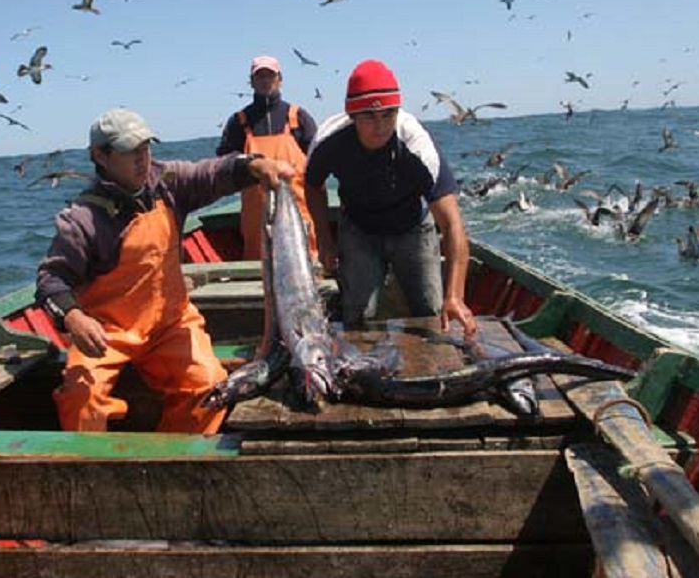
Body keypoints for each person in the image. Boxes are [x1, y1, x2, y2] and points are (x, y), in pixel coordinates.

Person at [36, 107, 293, 433]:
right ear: (100, 156)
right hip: (108, 335)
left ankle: (171, 460)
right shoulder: (81, 219)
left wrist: (255, 164)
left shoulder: (167, 182)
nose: (143, 160)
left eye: (146, 149)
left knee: (210, 387)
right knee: (80, 400)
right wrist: (73, 317)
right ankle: (93, 472)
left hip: (171, 324)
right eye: (131, 152)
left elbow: (213, 172)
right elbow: (49, 281)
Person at [304, 59, 478, 335]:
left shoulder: (417, 147)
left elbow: (452, 225)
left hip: (412, 227)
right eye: (370, 117)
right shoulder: (329, 141)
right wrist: (325, 240)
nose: (380, 126)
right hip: (359, 228)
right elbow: (312, 186)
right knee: (358, 316)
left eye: (388, 115)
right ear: (352, 116)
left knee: (431, 311)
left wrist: (454, 296)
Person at [217, 55, 319, 260]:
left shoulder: (298, 117)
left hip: (298, 216)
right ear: (252, 81)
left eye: (270, 75)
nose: (265, 80)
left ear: (280, 78)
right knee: (260, 277)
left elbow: (319, 163)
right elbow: (223, 166)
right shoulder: (239, 122)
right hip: (257, 221)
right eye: (260, 76)